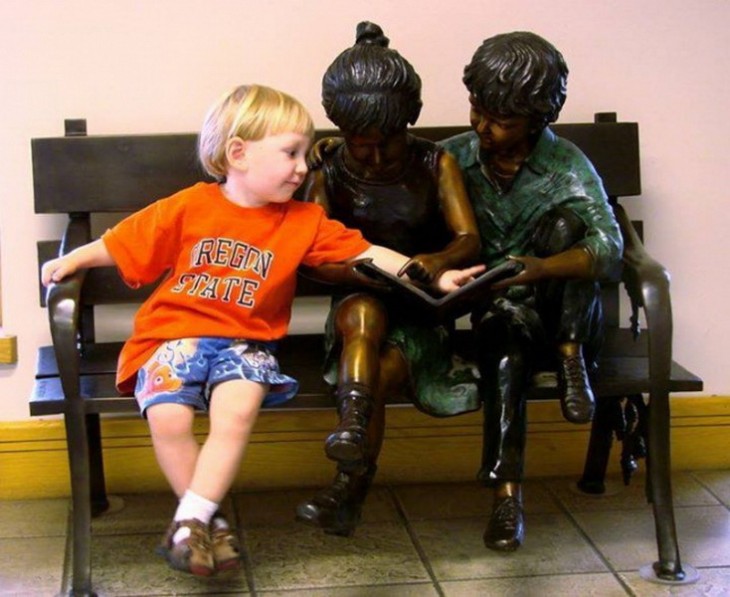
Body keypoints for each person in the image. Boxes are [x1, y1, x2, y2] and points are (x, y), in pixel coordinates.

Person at [40, 84, 483, 577]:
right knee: (168, 418)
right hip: (171, 336)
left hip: (245, 345)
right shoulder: (190, 206)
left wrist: (433, 273)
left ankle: (190, 520)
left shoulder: (304, 220)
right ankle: (212, 522)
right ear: (238, 154)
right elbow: (124, 241)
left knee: (238, 408)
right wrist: (74, 259)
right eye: (290, 153)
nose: (303, 166)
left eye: (303, 153)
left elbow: (366, 252)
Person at [294, 22, 482, 537]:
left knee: (377, 371)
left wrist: (435, 261)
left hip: (423, 311)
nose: (375, 157)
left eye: (388, 145)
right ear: (342, 133)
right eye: (361, 146)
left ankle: (349, 484)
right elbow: (310, 251)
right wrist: (361, 270)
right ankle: (351, 432)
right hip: (362, 298)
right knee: (359, 311)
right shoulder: (327, 169)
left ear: (408, 125)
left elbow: (469, 240)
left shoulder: (435, 162)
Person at [439, 31, 623, 551]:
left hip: (563, 312)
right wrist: (337, 151)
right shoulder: (454, 157)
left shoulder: (566, 165)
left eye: (501, 120)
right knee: (503, 358)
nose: (482, 127)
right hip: (499, 311)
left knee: (569, 232)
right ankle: (507, 497)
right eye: (478, 110)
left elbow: (610, 250)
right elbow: (394, 177)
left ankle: (570, 358)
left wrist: (541, 268)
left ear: (540, 118)